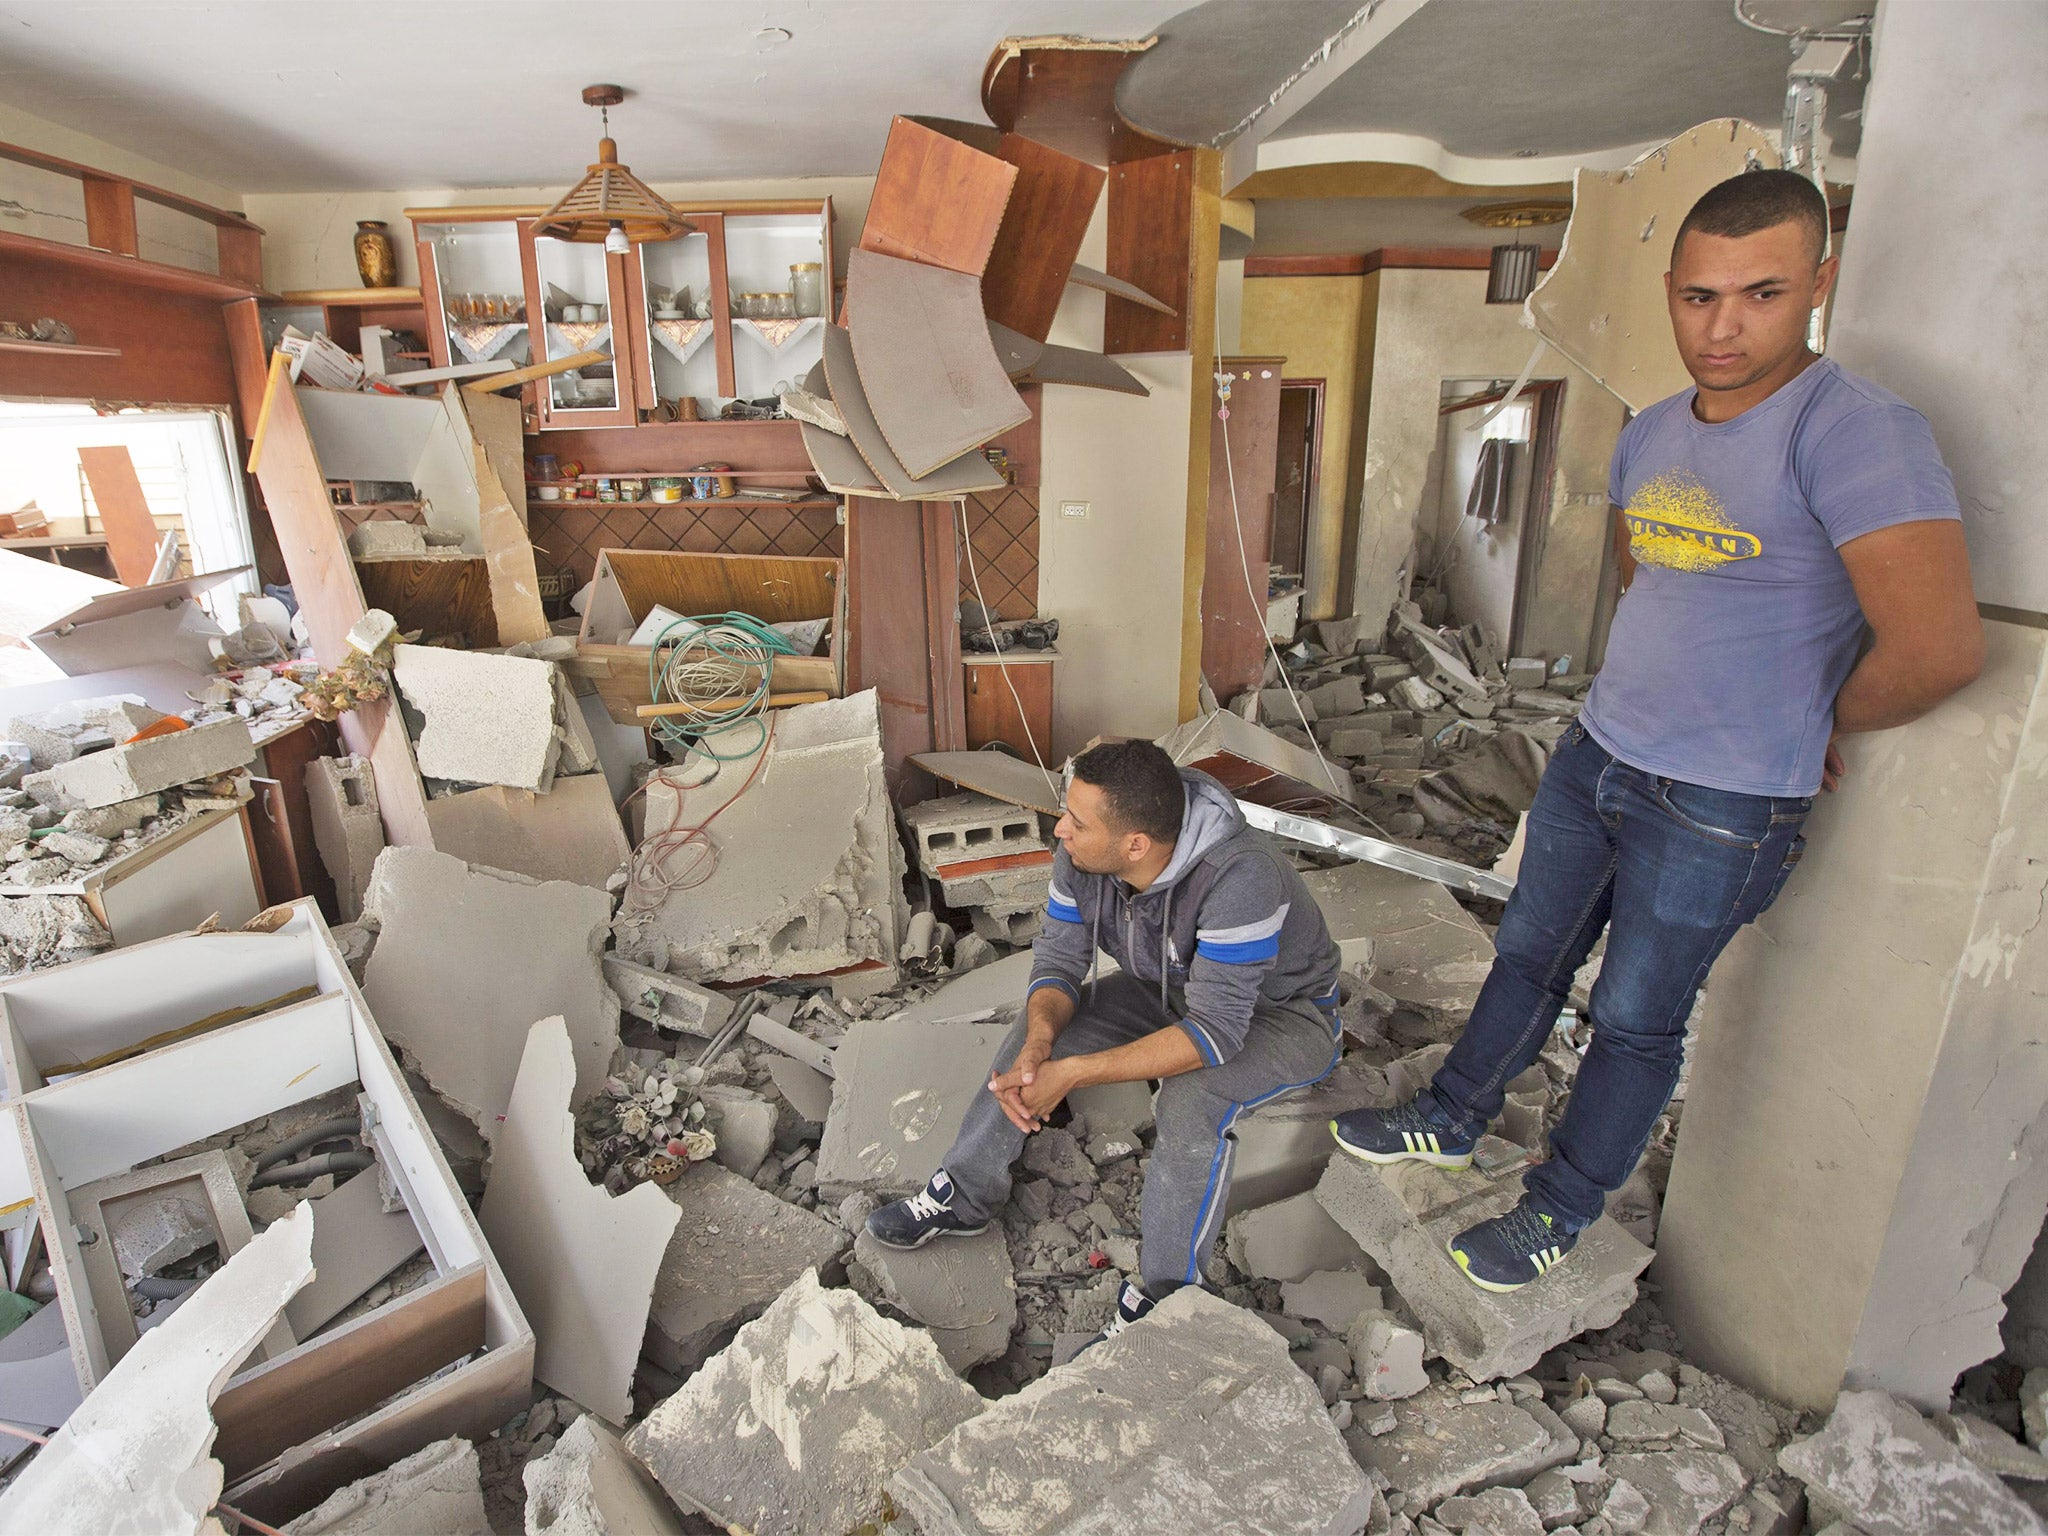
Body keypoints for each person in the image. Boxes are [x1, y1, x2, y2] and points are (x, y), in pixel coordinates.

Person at [1331, 168, 1983, 1293]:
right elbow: (1647, 576)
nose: (1721, 326)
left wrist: (1802, 721)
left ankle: (1557, 1209)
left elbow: (1935, 651)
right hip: (1597, 755)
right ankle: (1448, 1114)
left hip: (1724, 801)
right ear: (1670, 295)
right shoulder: (1652, 430)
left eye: (1760, 294)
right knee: (1527, 953)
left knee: (1634, 1017)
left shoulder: (1856, 434)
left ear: (1817, 287)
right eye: (1696, 297)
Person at [866, 739, 1344, 1340]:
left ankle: (1168, 1296)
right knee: (1033, 1029)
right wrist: (1043, 1046)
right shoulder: (1084, 853)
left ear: (1135, 845)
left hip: (1282, 1017)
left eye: (1077, 821)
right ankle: (966, 1193)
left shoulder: (1242, 879)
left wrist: (1076, 1073)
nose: (1060, 829)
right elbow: (1060, 960)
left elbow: (1217, 1033)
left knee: (1191, 1098)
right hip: (1166, 991)